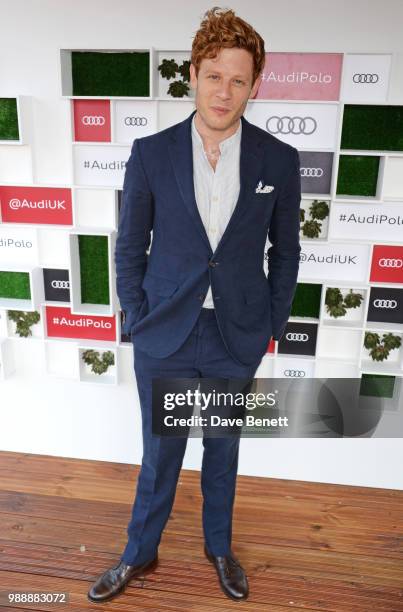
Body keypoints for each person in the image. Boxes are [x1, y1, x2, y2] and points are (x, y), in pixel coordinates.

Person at [88, 5, 301, 604]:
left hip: (236, 332)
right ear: (194, 75)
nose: (224, 91)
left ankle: (219, 549)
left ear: (255, 86)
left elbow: (287, 252)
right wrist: (137, 315)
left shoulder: (278, 160)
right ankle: (139, 554)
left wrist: (270, 322)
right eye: (214, 76)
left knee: (223, 449)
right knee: (160, 454)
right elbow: (129, 245)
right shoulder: (150, 153)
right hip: (166, 333)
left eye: (238, 80)